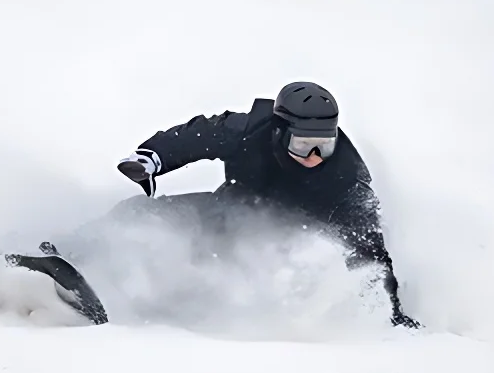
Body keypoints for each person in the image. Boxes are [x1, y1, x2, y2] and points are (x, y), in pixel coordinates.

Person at [113, 81, 420, 329]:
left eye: (323, 146)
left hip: (271, 251)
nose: (314, 156)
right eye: (302, 144)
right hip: (223, 211)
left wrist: (389, 313)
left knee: (212, 278)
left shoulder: (346, 181)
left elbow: (370, 251)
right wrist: (150, 158)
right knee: (139, 215)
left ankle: (171, 304)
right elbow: (197, 136)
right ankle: (77, 256)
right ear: (279, 131)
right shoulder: (249, 131)